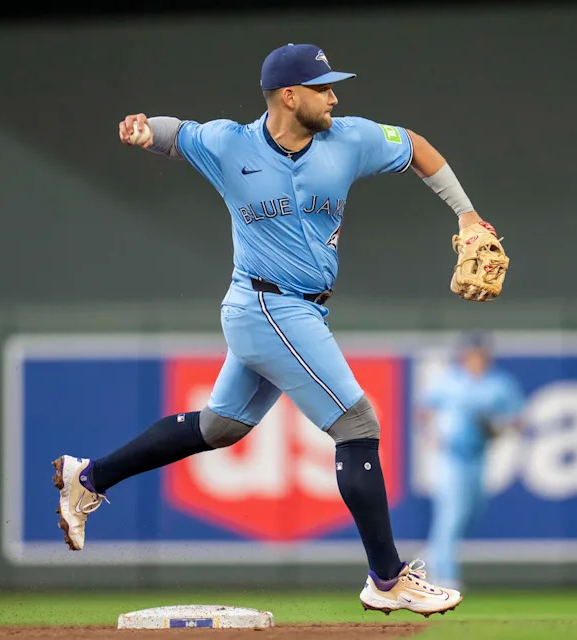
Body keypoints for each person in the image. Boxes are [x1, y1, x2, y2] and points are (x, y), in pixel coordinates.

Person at [52, 42, 507, 617]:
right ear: (289, 96)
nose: (334, 97)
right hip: (265, 305)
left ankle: (89, 477)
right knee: (358, 424)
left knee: (219, 428)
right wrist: (142, 129)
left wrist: (465, 213)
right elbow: (176, 132)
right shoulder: (229, 144)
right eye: (323, 88)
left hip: (303, 309)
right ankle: (388, 579)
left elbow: (414, 146)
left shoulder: (351, 139)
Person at [416, 331, 525, 590]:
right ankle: (446, 577)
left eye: (480, 353)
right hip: (450, 456)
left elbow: (518, 419)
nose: (475, 358)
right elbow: (423, 409)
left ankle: (431, 555)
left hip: (478, 455)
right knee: (451, 516)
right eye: (471, 353)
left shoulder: (499, 384)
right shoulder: (449, 380)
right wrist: (429, 435)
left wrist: (499, 426)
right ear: (464, 355)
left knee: (472, 512)